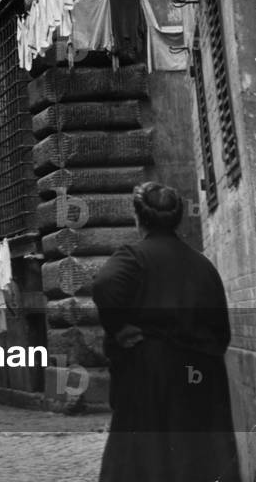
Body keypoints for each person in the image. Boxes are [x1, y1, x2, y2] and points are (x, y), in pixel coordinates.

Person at [92, 182, 241, 482]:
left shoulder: (134, 257)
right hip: (201, 380)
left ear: (139, 219)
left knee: (148, 460)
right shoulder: (202, 265)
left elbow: (104, 284)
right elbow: (220, 332)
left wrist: (119, 328)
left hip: (151, 378)